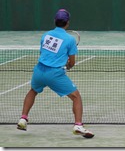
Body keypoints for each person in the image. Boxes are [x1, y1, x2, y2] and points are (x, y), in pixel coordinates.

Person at [17, 9, 94, 138]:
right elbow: (72, 62)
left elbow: (43, 54)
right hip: (54, 74)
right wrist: (68, 66)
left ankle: (23, 119)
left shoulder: (45, 35)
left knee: (33, 91)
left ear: (54, 21)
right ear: (67, 23)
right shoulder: (70, 39)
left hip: (39, 71)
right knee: (76, 97)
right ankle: (78, 125)